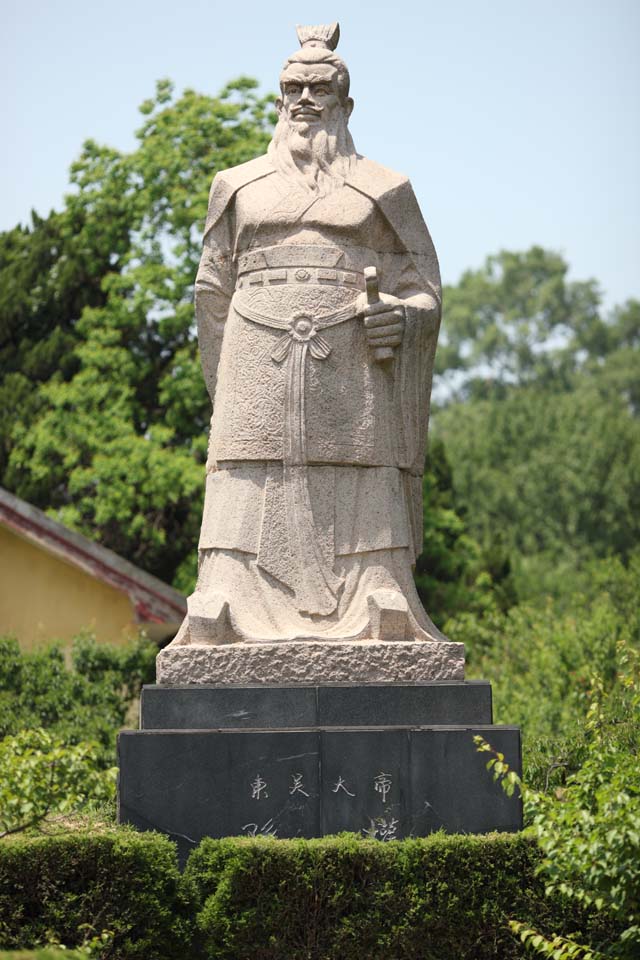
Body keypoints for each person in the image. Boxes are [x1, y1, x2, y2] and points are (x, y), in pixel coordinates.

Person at [173, 22, 446, 645]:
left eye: (321, 88)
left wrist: (402, 318)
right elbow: (211, 290)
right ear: (278, 101)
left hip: (350, 365)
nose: (305, 98)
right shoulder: (237, 186)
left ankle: (378, 588)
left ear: (345, 104)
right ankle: (225, 595)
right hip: (255, 356)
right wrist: (227, 380)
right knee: (244, 462)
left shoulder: (384, 189)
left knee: (361, 462)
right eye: (293, 86)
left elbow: (423, 286)